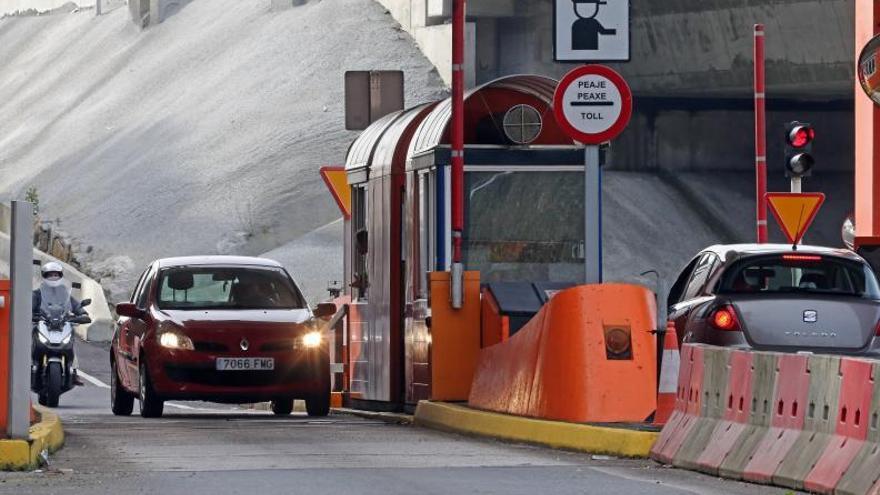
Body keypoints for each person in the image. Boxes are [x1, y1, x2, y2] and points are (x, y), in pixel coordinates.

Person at [32, 261, 86, 386]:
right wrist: (31, 314)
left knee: (70, 343)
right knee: (30, 341)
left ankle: (74, 371)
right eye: (50, 275)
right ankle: (27, 367)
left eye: (56, 275)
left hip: (61, 324)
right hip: (43, 323)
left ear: (60, 276)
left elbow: (75, 304)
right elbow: (30, 306)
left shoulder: (64, 292)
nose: (53, 277)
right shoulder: (37, 293)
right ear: (44, 276)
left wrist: (82, 313)